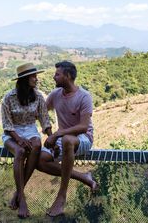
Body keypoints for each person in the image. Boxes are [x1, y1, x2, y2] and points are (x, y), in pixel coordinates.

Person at [37, 61, 97, 217]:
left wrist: (57, 134)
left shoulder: (84, 96)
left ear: (68, 76)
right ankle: (83, 176)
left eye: (57, 74)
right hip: (62, 139)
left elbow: (83, 126)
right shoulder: (55, 95)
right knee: (40, 159)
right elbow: (42, 113)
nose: (54, 77)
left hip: (83, 139)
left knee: (68, 140)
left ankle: (61, 196)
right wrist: (50, 135)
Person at [1, 62, 51, 219]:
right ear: (25, 79)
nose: (36, 79)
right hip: (12, 133)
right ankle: (22, 200)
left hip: (30, 130)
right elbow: (7, 125)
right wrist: (19, 139)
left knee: (36, 144)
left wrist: (52, 137)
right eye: (33, 76)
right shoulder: (8, 98)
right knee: (20, 151)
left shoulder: (38, 97)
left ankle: (18, 193)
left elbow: (45, 120)